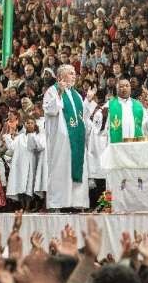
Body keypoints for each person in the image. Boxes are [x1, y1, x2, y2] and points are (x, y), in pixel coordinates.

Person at [42, 64, 94, 210]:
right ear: (60, 77)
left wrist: (88, 100)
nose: (74, 75)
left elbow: (82, 116)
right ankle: (57, 203)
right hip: (61, 141)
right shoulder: (52, 91)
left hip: (76, 139)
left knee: (77, 169)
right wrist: (59, 90)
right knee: (60, 170)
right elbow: (50, 110)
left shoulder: (76, 94)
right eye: (70, 73)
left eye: (74, 73)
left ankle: (78, 203)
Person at [5, 118, 44, 209]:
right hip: (19, 165)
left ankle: (28, 206)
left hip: (31, 164)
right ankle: (22, 206)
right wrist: (7, 137)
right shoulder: (19, 137)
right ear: (25, 125)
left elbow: (40, 147)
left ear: (35, 125)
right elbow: (12, 148)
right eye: (27, 123)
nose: (29, 124)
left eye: (31, 123)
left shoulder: (38, 136)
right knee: (20, 185)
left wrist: (33, 137)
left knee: (29, 186)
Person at [107, 78, 148, 143]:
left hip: (135, 145)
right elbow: (100, 127)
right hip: (117, 146)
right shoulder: (110, 104)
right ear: (116, 89)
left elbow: (147, 123)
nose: (124, 88)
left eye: (127, 86)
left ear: (130, 88)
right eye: (121, 86)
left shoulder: (138, 105)